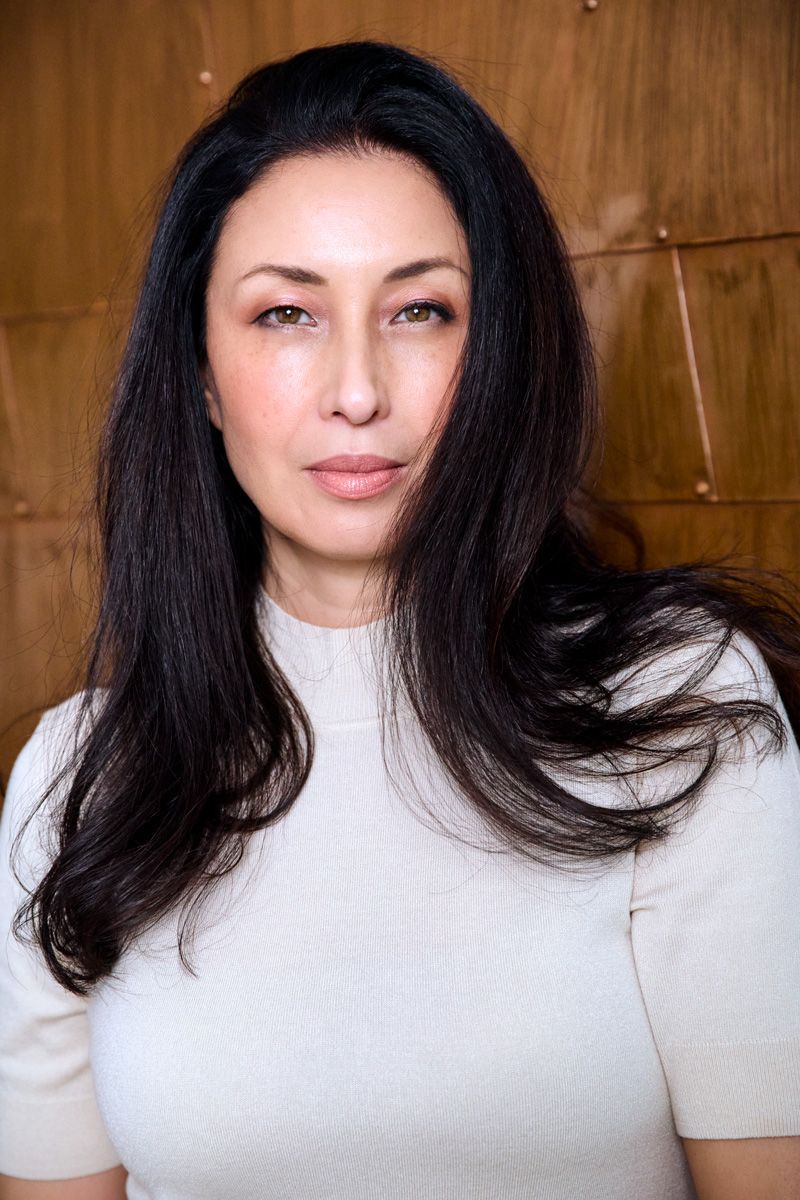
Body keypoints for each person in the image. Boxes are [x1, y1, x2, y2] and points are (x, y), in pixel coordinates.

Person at [1, 39, 799, 1200]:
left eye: (420, 310)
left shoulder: (675, 704)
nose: (357, 390)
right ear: (202, 374)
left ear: (500, 353)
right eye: (286, 314)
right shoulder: (82, 780)